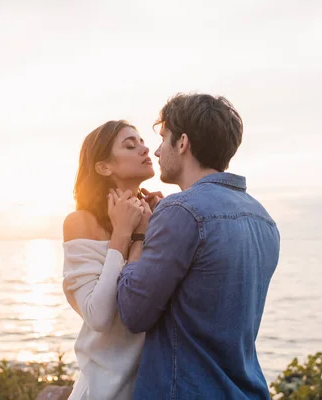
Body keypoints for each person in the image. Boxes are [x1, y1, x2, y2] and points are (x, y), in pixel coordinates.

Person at [116, 93, 281, 399]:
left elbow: (133, 313)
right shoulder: (264, 219)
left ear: (183, 143)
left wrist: (138, 234)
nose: (156, 150)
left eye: (164, 138)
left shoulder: (180, 211)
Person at [62, 120, 162, 400]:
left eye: (143, 142)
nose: (144, 149)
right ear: (104, 167)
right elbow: (99, 316)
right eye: (131, 145)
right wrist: (123, 235)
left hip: (154, 387)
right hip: (102, 390)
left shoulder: (157, 217)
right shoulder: (81, 222)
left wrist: (157, 224)